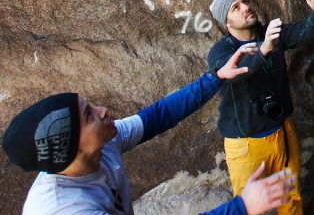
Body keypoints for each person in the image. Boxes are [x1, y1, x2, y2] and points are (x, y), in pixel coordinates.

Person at [2, 44, 296, 215]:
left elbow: (159, 115)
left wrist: (216, 77)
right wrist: (242, 207)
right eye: (89, 115)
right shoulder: (64, 208)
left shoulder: (104, 144)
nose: (104, 112)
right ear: (72, 148)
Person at [207, 0, 314, 215]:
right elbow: (236, 72)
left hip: (282, 131)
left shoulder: (271, 33)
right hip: (246, 144)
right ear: (227, 22)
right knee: (247, 208)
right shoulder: (220, 51)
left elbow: (304, 31)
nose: (245, 7)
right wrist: (264, 49)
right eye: (235, 7)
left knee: (290, 198)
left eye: (245, 1)